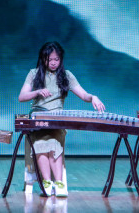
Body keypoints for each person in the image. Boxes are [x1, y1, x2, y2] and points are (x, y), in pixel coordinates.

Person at [18, 41, 105, 197]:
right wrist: (37, 92)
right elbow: (22, 97)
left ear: (61, 59)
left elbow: (84, 95)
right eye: (49, 59)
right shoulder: (34, 73)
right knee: (40, 143)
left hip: (57, 121)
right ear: (43, 59)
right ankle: (46, 182)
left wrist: (93, 97)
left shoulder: (66, 75)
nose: (53, 63)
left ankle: (58, 183)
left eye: (56, 59)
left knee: (53, 143)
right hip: (39, 120)